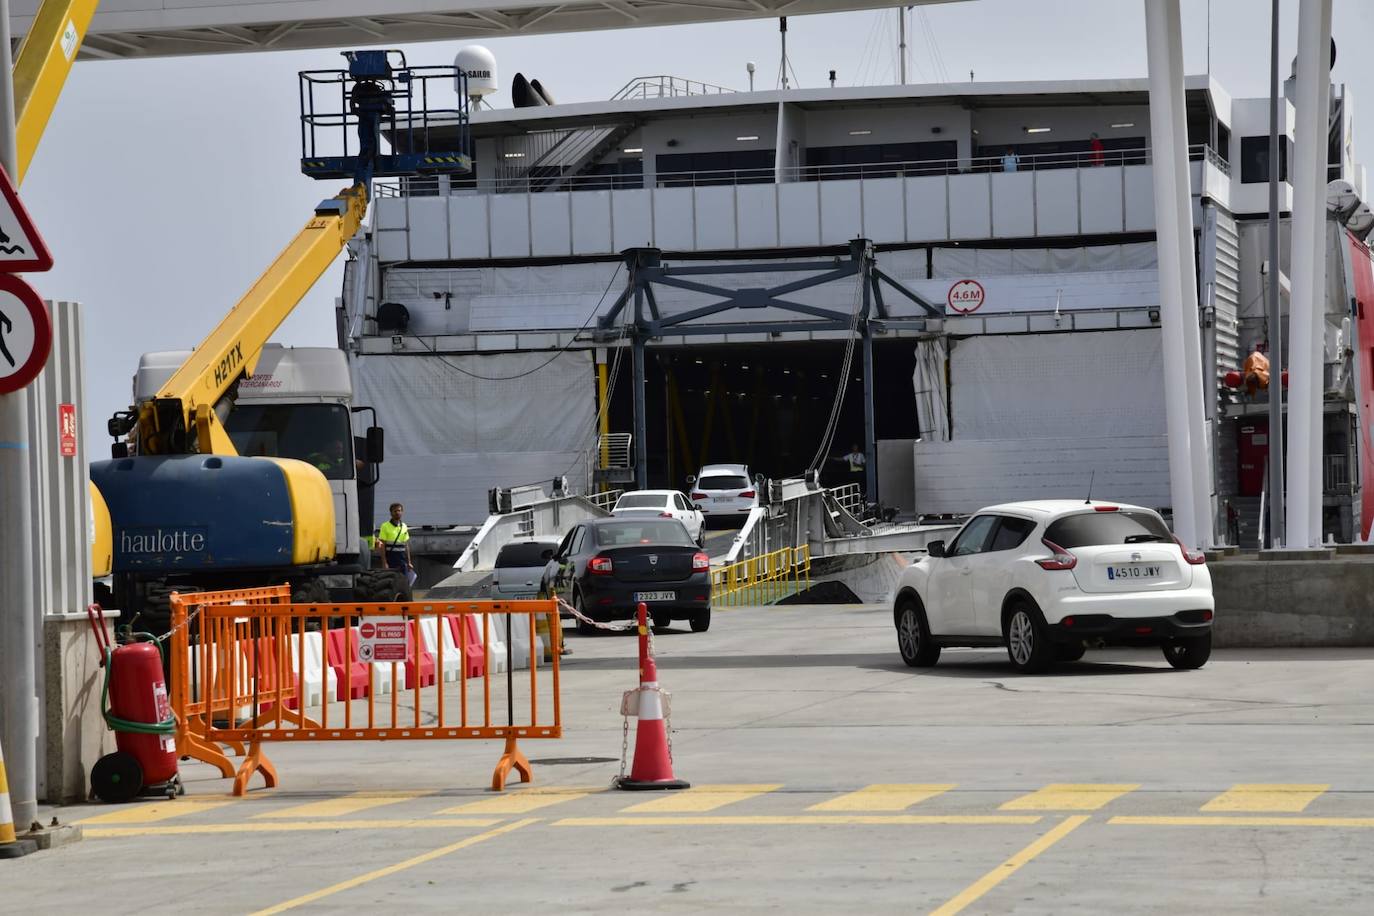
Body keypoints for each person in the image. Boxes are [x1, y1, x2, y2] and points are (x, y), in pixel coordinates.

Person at [375, 502, 417, 589]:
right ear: (391, 513)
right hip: (391, 559)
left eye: (399, 510)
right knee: (390, 583)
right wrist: (384, 562)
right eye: (395, 511)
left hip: (402, 560)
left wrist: (409, 562)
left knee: (405, 583)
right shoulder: (385, 526)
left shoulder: (404, 526)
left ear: (402, 512)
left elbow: (406, 545)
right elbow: (382, 546)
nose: (397, 512)